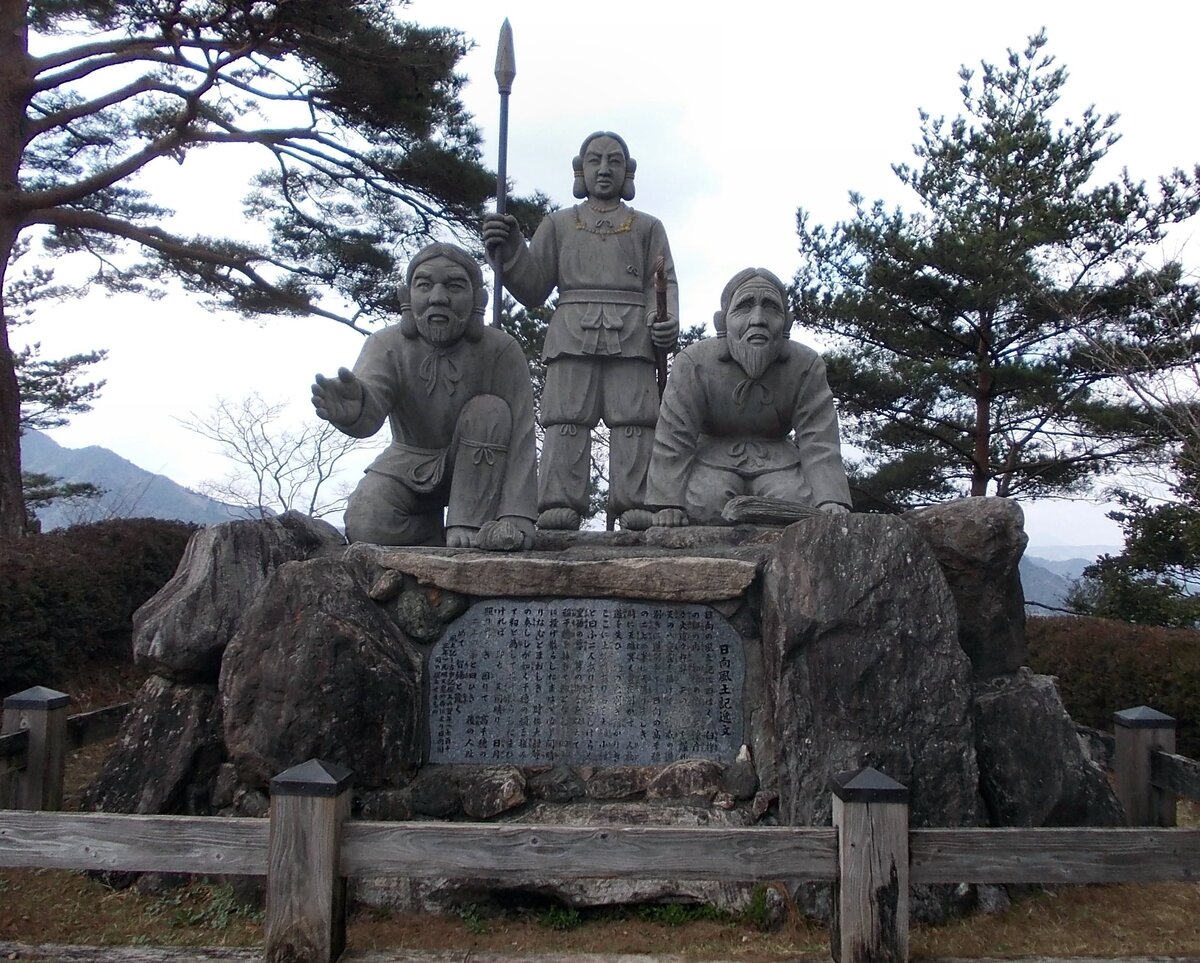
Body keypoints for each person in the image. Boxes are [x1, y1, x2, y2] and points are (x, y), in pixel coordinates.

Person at [483, 131, 678, 531]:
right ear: (580, 169)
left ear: (628, 170)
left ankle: (636, 499)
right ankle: (558, 500)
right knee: (565, 418)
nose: (604, 169)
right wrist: (510, 250)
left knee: (635, 420)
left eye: (614, 161)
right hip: (571, 327)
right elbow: (534, 286)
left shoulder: (647, 226)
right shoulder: (557, 224)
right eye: (595, 160)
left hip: (632, 329)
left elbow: (663, 282)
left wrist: (665, 319)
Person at [311, 243, 537, 549]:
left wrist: (517, 516)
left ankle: (469, 527)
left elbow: (523, 433)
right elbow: (372, 404)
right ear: (406, 297)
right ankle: (433, 534)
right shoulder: (386, 344)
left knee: (490, 410)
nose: (438, 297)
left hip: (482, 469)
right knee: (366, 519)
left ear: (477, 300)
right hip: (407, 462)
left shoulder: (501, 350)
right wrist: (356, 408)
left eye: (454, 286)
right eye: (425, 285)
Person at [646, 267, 851, 525]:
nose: (758, 319)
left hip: (780, 461)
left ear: (787, 323)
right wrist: (668, 502)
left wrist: (830, 498)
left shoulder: (806, 365)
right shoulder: (694, 362)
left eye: (770, 308)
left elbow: (819, 439)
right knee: (705, 504)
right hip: (711, 457)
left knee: (795, 504)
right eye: (744, 307)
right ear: (722, 322)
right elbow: (675, 436)